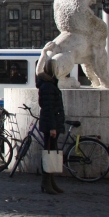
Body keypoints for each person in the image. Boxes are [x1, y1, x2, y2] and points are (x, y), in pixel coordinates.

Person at [37, 61, 65, 194]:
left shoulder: (50, 83)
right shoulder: (48, 85)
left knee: (52, 151)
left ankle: (51, 181)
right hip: (50, 124)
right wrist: (52, 127)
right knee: (49, 151)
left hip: (52, 123)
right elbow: (48, 108)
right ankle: (46, 182)